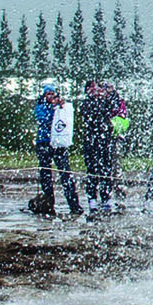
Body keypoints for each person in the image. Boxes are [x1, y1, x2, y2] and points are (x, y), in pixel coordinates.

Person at [31, 83, 81, 216]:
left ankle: (74, 204)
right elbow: (43, 118)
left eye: (52, 94)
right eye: (48, 94)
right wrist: (53, 107)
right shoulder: (40, 107)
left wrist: (61, 107)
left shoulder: (60, 107)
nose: (51, 96)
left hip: (58, 143)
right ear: (44, 95)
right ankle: (49, 205)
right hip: (44, 143)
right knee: (46, 175)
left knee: (65, 173)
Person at [76, 79, 124, 215]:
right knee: (92, 171)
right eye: (93, 88)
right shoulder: (86, 103)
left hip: (105, 142)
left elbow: (116, 105)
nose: (97, 90)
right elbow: (91, 114)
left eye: (98, 88)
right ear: (88, 91)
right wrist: (97, 98)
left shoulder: (106, 101)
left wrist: (111, 91)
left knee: (106, 170)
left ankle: (106, 199)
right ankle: (92, 199)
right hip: (91, 142)